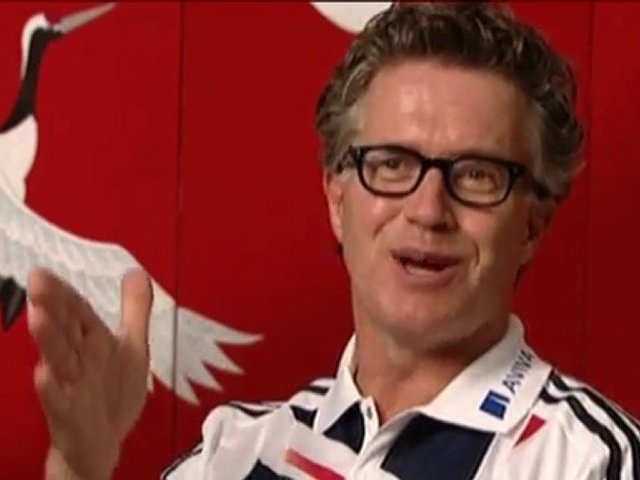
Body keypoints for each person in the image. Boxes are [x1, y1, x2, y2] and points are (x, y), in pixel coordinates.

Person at [28, 2, 640, 479]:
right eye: (392, 164)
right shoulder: (233, 453)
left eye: (477, 175)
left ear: (532, 224)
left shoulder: (595, 462)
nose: (429, 210)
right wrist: (79, 466)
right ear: (337, 201)